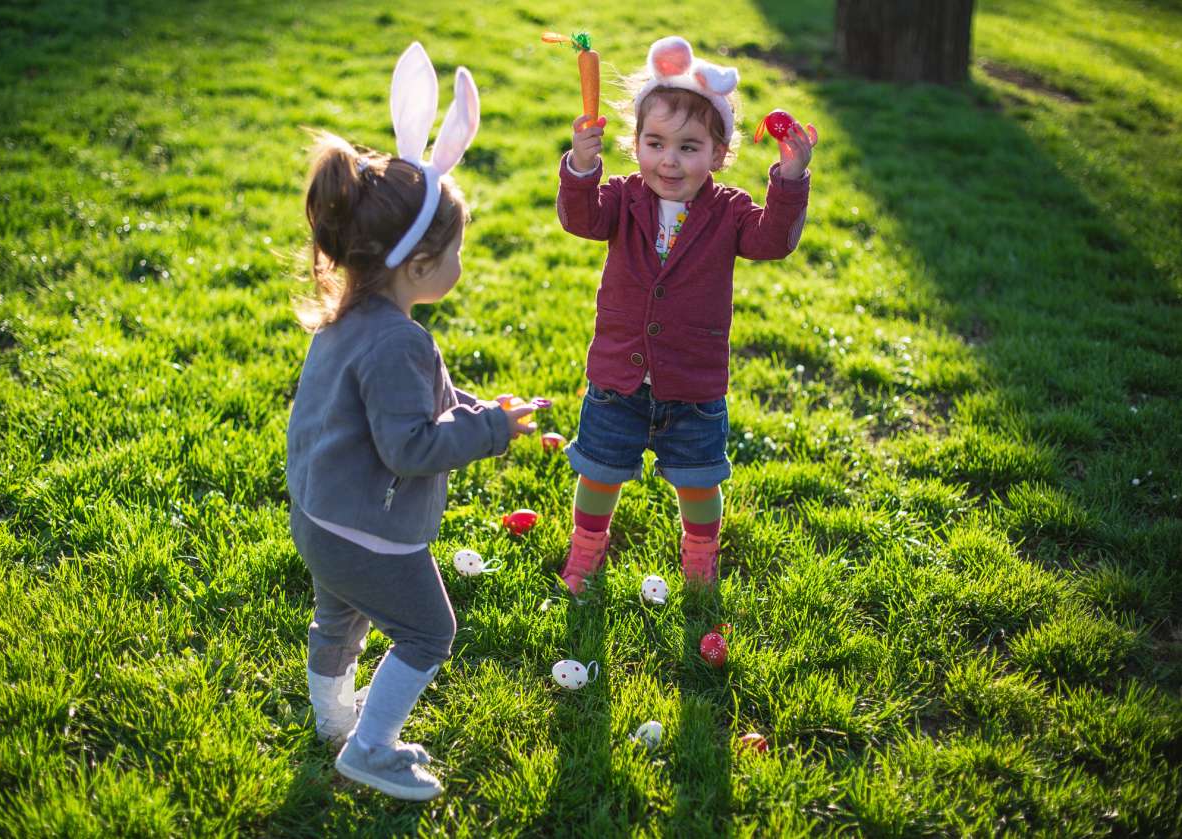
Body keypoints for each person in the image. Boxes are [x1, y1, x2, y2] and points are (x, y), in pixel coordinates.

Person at [286, 43, 540, 801]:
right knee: (429, 632)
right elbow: (409, 447)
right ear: (420, 263)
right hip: (370, 528)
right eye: (456, 249)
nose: (462, 263)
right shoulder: (400, 339)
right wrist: (491, 434)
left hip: (321, 515)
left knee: (341, 616)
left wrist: (482, 410)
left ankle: (334, 716)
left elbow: (422, 408)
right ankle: (369, 747)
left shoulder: (351, 317)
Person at [556, 35, 817, 594]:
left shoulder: (729, 211)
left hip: (693, 386)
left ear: (720, 154)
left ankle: (700, 560)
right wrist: (581, 165)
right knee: (598, 474)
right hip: (618, 381)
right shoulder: (623, 198)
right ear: (636, 144)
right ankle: (585, 555)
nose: (669, 160)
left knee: (699, 483)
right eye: (655, 143)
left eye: (690, 147)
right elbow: (579, 219)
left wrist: (790, 179)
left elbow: (774, 241)